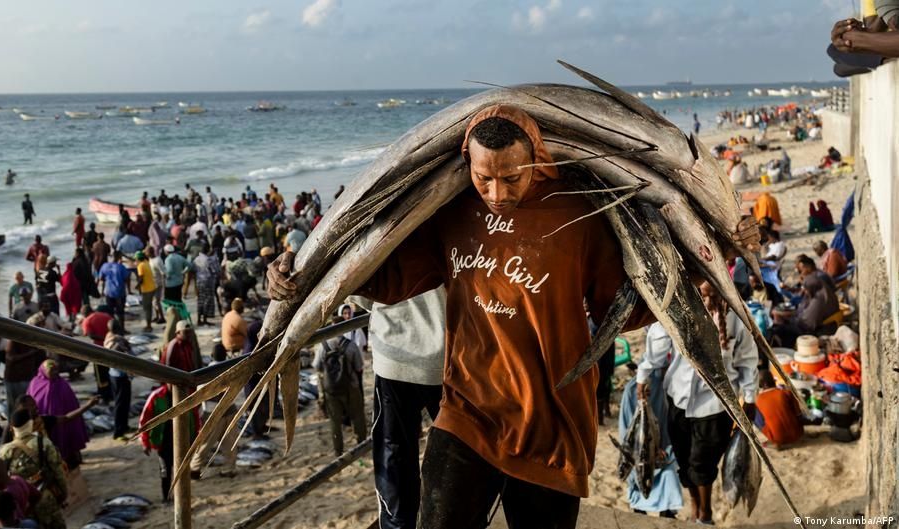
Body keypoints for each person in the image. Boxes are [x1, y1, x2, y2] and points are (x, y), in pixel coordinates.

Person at [268, 105, 762, 527]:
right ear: (467, 161)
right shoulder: (451, 210)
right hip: (468, 412)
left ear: (538, 158)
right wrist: (300, 275)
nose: (497, 192)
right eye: (484, 177)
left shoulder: (579, 211)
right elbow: (389, 276)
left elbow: (624, 304)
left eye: (511, 177)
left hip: (553, 426)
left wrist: (717, 254)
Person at [637, 282, 758, 524]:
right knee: (683, 460)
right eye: (702, 294)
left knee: (703, 464)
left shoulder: (735, 317)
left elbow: (747, 360)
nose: (707, 300)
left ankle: (705, 513)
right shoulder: (678, 308)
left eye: (712, 294)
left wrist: (750, 398)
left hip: (716, 407)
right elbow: (657, 347)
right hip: (678, 400)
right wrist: (643, 375)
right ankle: (694, 506)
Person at [351, 289, 445, 529]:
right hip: (453, 352)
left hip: (396, 352)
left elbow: (363, 291)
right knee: (459, 465)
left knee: (395, 467)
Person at [620, 355, 682, 518]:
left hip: (662, 452)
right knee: (637, 478)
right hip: (637, 452)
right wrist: (644, 450)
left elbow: (668, 427)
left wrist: (662, 449)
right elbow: (626, 430)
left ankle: (667, 514)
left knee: (669, 475)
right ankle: (639, 511)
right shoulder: (631, 390)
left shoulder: (667, 389)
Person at [0, 409, 68, 529]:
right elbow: (58, 472)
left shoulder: (4, 451)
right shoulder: (44, 443)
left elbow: (2, 481)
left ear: (12, 428)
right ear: (30, 423)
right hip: (45, 498)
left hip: (23, 503)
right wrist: (63, 494)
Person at [314, 316, 366, 456]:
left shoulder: (323, 346)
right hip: (351, 386)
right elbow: (359, 367)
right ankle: (361, 444)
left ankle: (338, 450)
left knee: (335, 421)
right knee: (357, 416)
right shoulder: (350, 345)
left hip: (330, 389)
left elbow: (317, 367)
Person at [140, 384, 199, 504]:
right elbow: (145, 419)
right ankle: (166, 497)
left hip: (183, 440)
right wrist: (145, 442)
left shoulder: (186, 394)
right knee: (165, 472)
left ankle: (182, 498)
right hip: (163, 442)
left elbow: (195, 416)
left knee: (181, 471)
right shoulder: (156, 396)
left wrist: (196, 436)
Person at [26, 359, 90, 469]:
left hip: (63, 420)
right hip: (45, 422)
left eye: (56, 370)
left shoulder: (63, 384)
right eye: (51, 371)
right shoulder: (34, 384)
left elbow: (72, 404)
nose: (55, 373)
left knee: (66, 440)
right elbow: (30, 402)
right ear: (43, 371)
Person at [190, 345, 238, 480]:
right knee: (230, 443)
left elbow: (201, 393)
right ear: (225, 355)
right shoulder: (232, 369)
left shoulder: (206, 372)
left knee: (205, 444)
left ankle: (194, 468)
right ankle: (230, 468)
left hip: (212, 413)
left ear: (211, 356)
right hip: (230, 410)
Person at [772, 255, 841, 346]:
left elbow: (807, 325)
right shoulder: (821, 292)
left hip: (816, 332)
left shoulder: (818, 300)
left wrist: (790, 319)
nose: (805, 291)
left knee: (779, 329)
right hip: (817, 324)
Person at [0, 458, 40, 528]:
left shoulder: (5, 496)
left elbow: (11, 523)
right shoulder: (17, 479)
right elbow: (37, 495)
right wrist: (26, 513)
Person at [4, 316, 45, 410]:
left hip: (28, 378)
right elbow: (10, 358)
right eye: (37, 326)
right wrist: (30, 353)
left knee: (28, 407)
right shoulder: (15, 340)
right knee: (15, 406)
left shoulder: (35, 341)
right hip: (15, 379)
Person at [754, 373, 805, 448]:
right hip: (797, 434)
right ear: (773, 380)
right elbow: (799, 414)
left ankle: (773, 440)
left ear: (763, 385)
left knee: (754, 414)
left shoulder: (759, 399)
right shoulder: (787, 392)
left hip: (777, 439)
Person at [104, 320, 133, 440]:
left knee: (124, 402)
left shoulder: (108, 337)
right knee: (120, 403)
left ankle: (124, 426)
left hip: (114, 374)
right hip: (120, 375)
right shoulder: (119, 340)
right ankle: (118, 432)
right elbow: (129, 355)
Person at [80, 305, 114, 402]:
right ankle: (111, 391)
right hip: (111, 347)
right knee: (109, 370)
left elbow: (90, 335)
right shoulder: (105, 315)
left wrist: (103, 339)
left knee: (100, 374)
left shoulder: (87, 321)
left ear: (84, 314)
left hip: (98, 350)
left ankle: (104, 394)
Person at [97, 252, 131, 323]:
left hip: (109, 292)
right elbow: (127, 278)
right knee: (120, 312)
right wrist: (128, 290)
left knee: (110, 312)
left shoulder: (105, 266)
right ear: (119, 258)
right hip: (120, 292)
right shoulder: (121, 267)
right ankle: (121, 327)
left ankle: (112, 326)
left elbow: (101, 278)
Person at [193, 246, 221, 326]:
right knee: (207, 300)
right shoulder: (208, 260)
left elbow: (193, 269)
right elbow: (215, 270)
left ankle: (199, 319)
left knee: (200, 300)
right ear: (208, 251)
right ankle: (205, 319)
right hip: (208, 281)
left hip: (199, 281)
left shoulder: (196, 259)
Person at [135, 251, 157, 332]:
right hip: (152, 287)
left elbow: (141, 279)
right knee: (149, 307)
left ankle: (148, 326)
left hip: (146, 289)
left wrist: (137, 286)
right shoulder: (146, 262)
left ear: (138, 259)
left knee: (146, 308)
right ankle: (149, 324)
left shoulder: (140, 266)